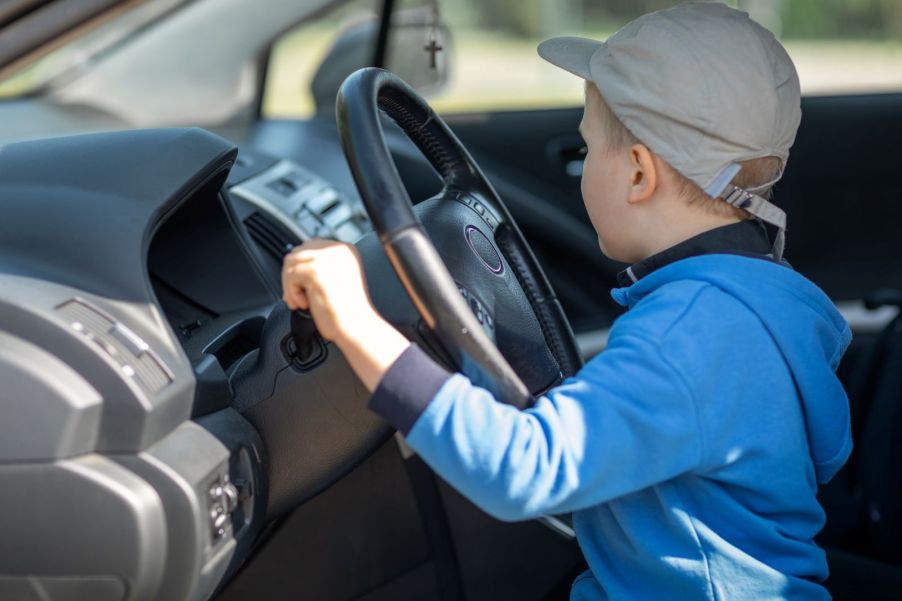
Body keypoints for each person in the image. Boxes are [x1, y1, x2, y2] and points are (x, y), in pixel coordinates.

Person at [281, 3, 852, 599]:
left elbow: (521, 471)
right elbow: (821, 451)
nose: (582, 166)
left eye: (586, 150)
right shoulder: (773, 307)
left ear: (637, 174)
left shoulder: (682, 337)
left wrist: (353, 322)